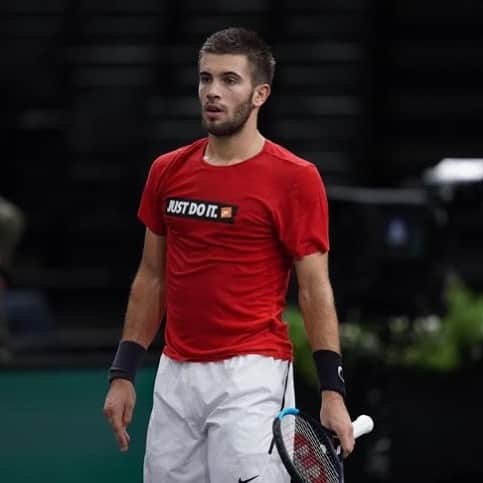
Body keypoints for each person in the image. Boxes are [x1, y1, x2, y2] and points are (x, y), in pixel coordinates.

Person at [103, 27, 355, 482]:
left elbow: (315, 289)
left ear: (260, 94)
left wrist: (332, 390)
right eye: (205, 79)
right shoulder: (167, 170)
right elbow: (151, 277)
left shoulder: (296, 178)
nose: (212, 92)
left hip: (252, 376)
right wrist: (123, 372)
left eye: (229, 80)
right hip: (175, 375)